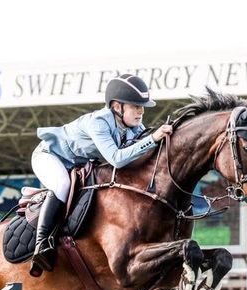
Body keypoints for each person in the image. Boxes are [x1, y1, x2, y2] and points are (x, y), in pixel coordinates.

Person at [29, 73, 173, 275]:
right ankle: (42, 243)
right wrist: (154, 138)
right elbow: (117, 159)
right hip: (50, 157)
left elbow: (143, 146)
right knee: (62, 185)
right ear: (117, 106)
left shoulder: (132, 125)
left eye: (142, 107)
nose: (141, 112)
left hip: (78, 165)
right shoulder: (98, 122)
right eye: (135, 106)